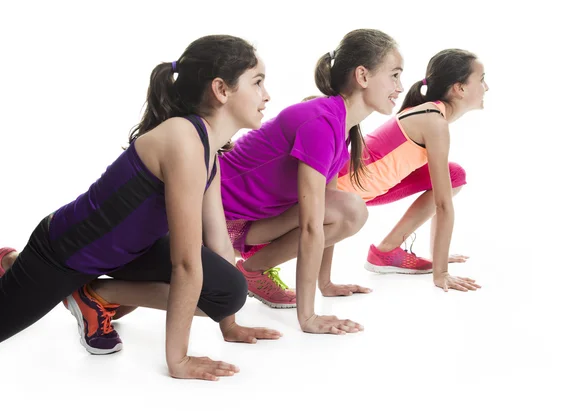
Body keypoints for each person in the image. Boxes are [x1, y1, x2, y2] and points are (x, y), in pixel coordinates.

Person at [0, 34, 280, 381]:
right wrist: (178, 360)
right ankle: (14, 265)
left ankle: (82, 291)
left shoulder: (209, 149)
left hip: (130, 251)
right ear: (221, 89)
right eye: (257, 82)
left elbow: (219, 242)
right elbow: (186, 262)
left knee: (229, 291)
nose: (266, 95)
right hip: (63, 254)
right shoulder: (182, 140)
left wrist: (230, 325)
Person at [220, 29, 403, 334]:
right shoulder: (320, 123)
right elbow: (310, 225)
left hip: (250, 224)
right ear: (363, 76)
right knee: (350, 209)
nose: (399, 87)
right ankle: (253, 270)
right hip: (216, 220)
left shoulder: (339, 129)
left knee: (349, 209)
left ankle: (252, 272)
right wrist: (308, 317)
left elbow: (325, 214)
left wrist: (326, 283)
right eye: (395, 75)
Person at [338, 48, 487, 292]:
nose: (486, 87)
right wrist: (441, 273)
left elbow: (444, 190)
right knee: (448, 185)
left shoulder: (433, 113)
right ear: (459, 88)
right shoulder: (434, 121)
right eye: (481, 80)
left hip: (371, 184)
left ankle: (387, 250)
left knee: (454, 175)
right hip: (346, 188)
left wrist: (438, 253)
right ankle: (386, 251)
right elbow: (443, 203)